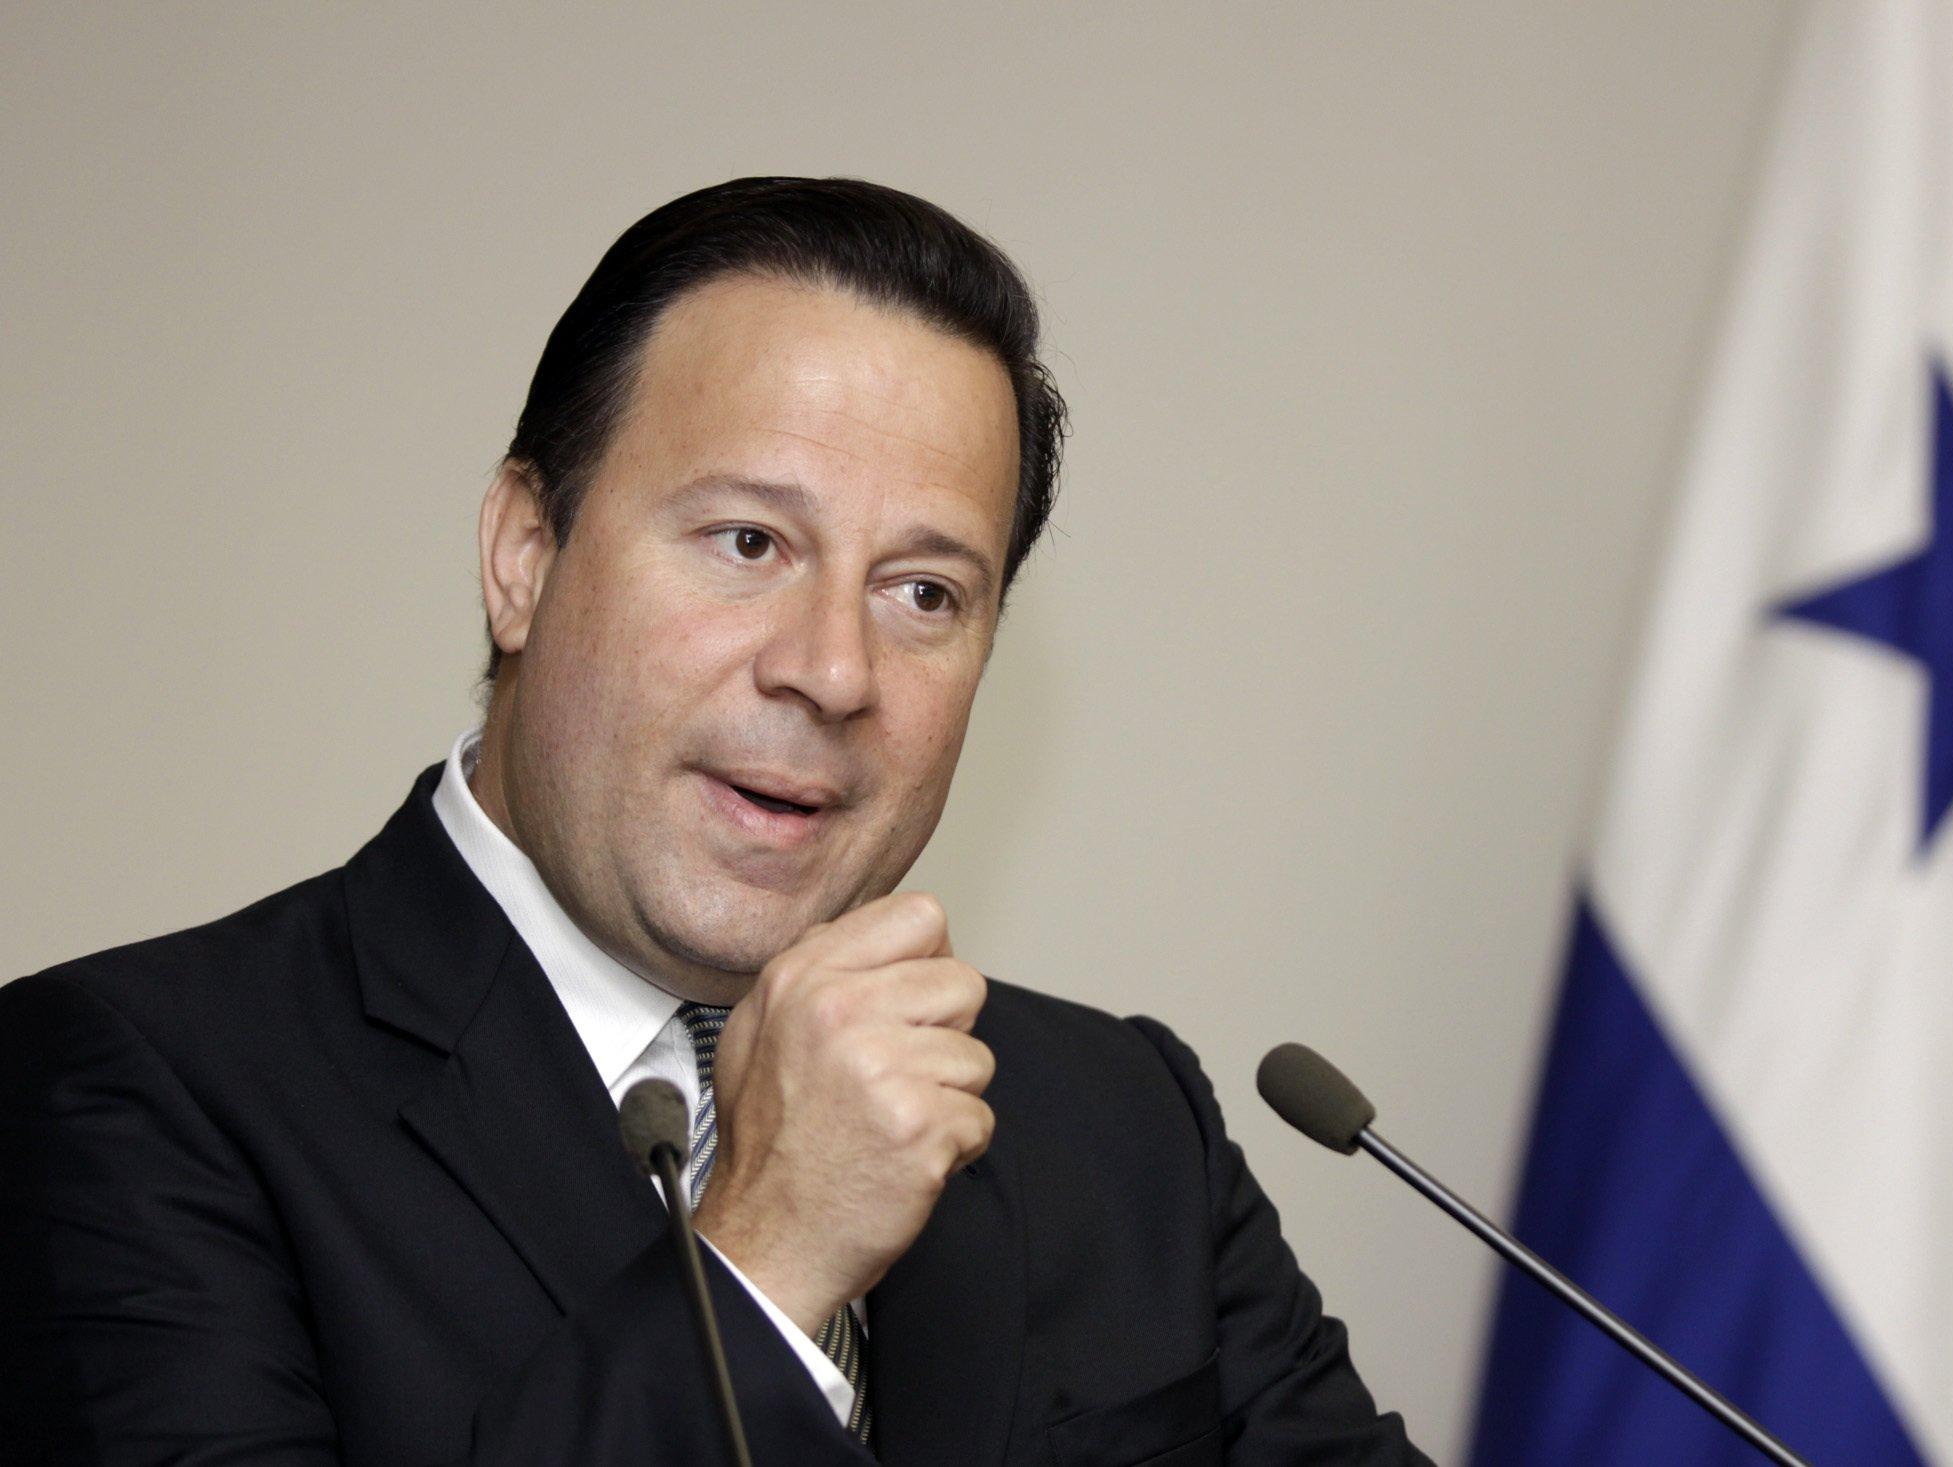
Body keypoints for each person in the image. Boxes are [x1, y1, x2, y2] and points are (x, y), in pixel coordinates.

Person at [0, 177, 1430, 1465]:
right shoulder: (132, 1093)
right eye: (749, 542)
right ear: (523, 555)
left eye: (924, 592)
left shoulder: (1118, 1124)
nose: (833, 670)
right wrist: (764, 1258)